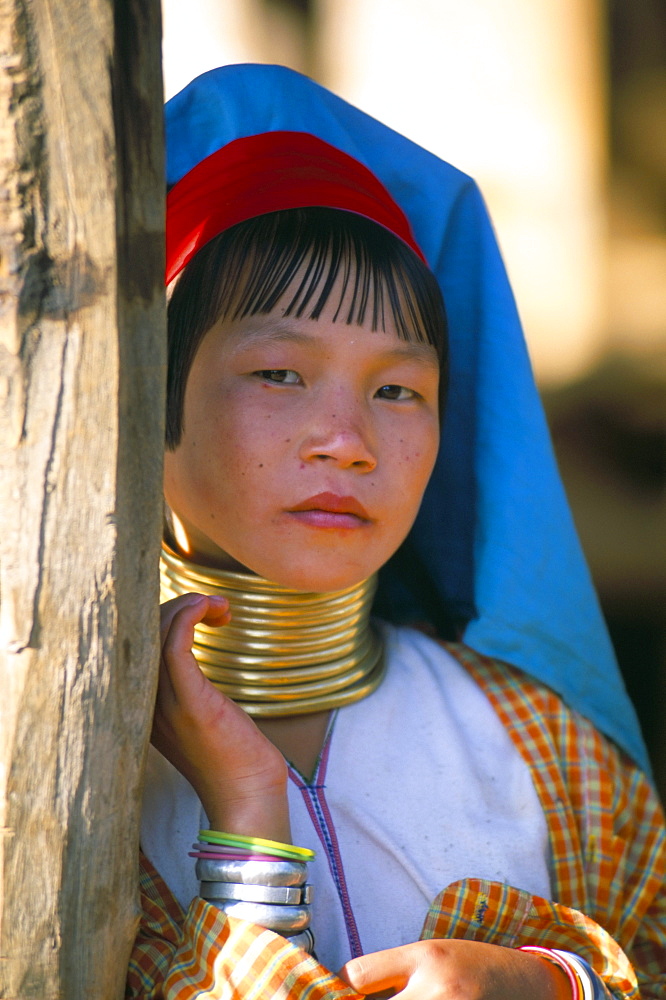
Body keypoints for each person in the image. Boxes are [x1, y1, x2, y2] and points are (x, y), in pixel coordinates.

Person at [126, 65, 666, 999]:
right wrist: (248, 819)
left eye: (397, 390)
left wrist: (555, 984)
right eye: (279, 374)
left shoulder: (541, 744)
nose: (348, 442)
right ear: (144, 401)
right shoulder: (53, 763)